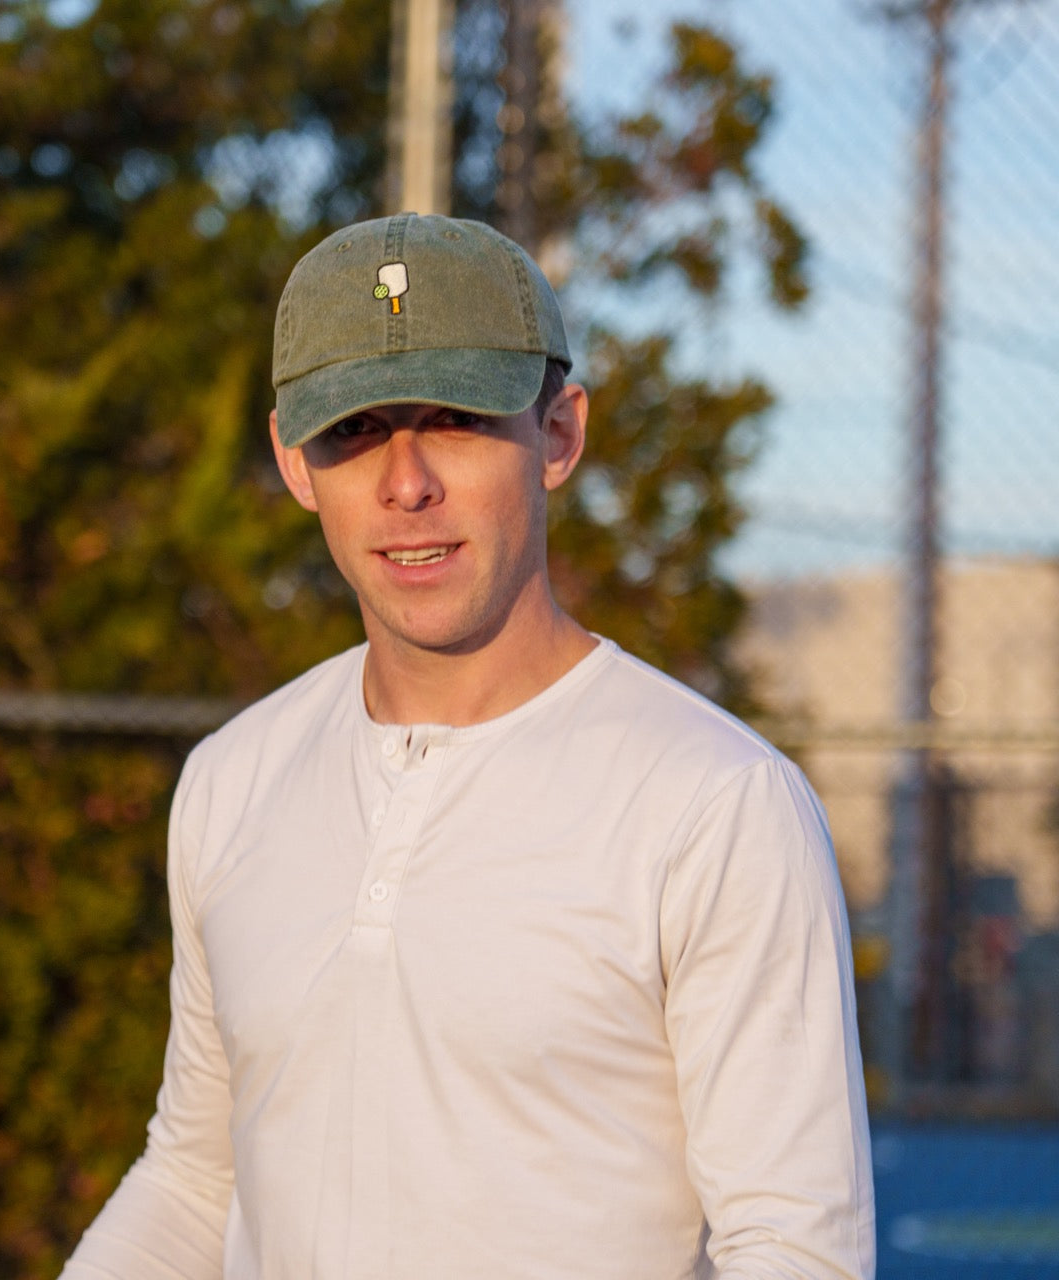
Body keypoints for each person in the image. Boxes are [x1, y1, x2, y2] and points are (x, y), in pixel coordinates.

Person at [60, 213, 875, 1280]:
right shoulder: (233, 777)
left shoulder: (715, 802)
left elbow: (793, 1246)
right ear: (292, 462)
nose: (404, 483)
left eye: (452, 417)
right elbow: (193, 1177)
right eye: (352, 429)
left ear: (557, 433)